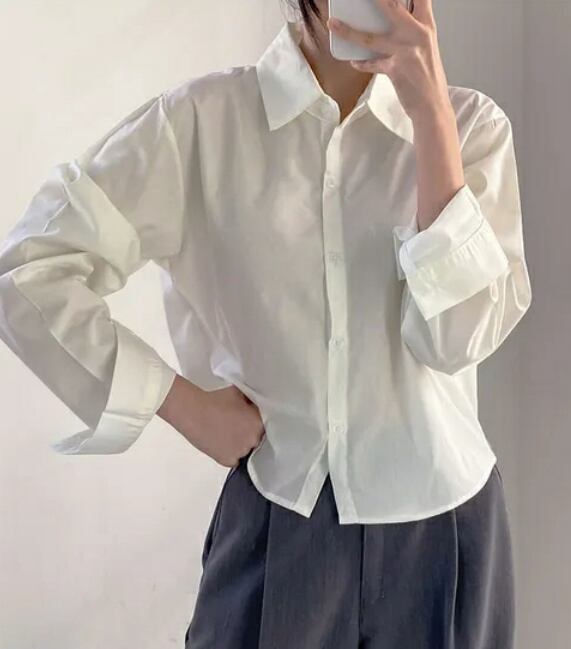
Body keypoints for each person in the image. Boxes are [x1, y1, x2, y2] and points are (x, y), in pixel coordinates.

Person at [0, 0, 532, 647]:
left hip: (445, 531)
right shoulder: (199, 125)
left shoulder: (471, 129)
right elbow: (30, 271)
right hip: (278, 518)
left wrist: (429, 116)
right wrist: (181, 404)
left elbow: (455, 340)